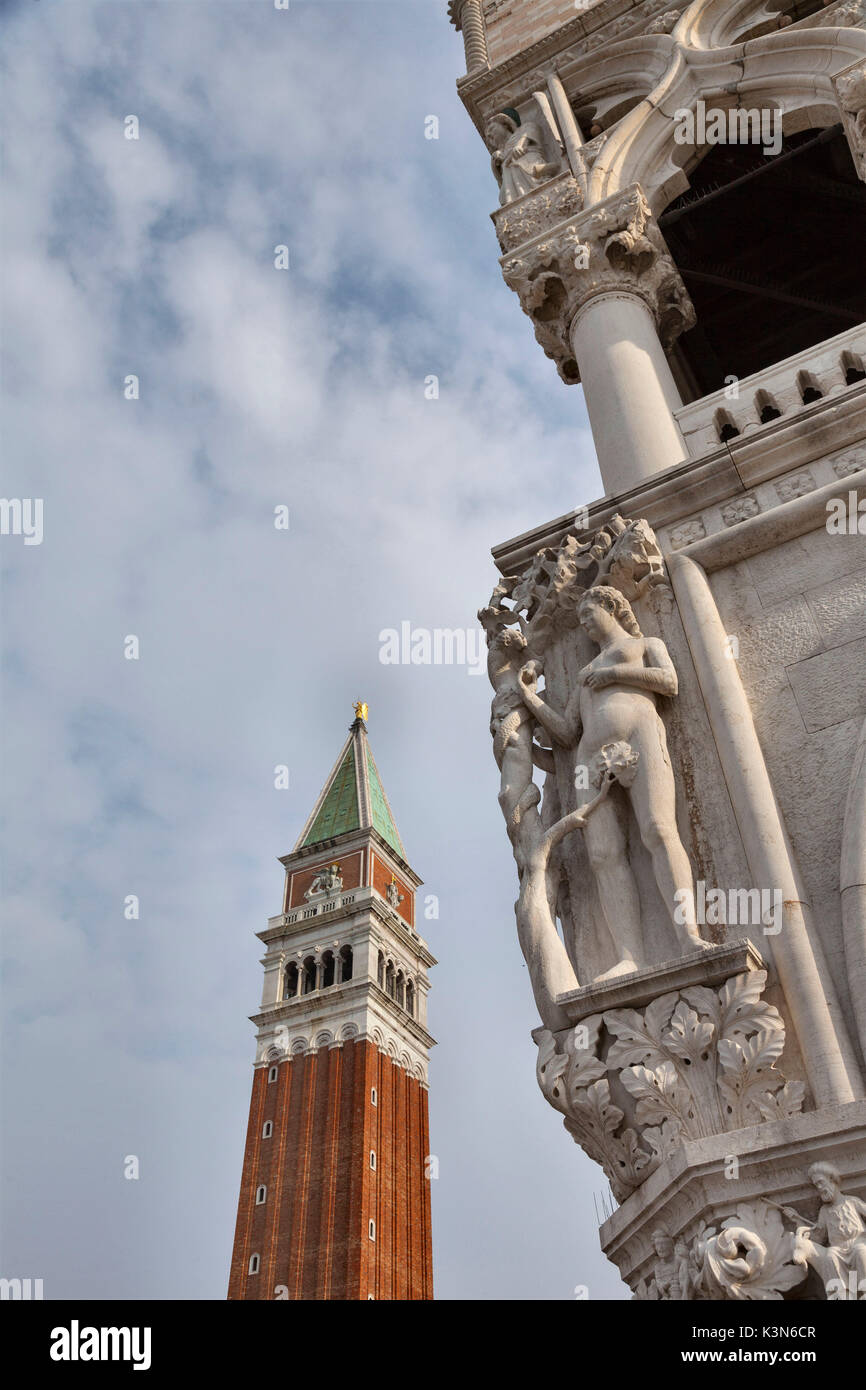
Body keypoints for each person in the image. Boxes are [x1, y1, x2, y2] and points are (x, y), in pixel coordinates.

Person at [519, 584, 707, 980]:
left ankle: (688, 935)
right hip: (589, 756)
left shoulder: (643, 645)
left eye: (590, 613)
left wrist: (616, 673)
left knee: (658, 829)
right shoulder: (587, 673)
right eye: (581, 618)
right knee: (603, 853)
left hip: (640, 735)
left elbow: (668, 682)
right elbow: (568, 731)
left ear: (612, 607)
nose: (585, 623)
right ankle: (629, 955)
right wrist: (530, 700)